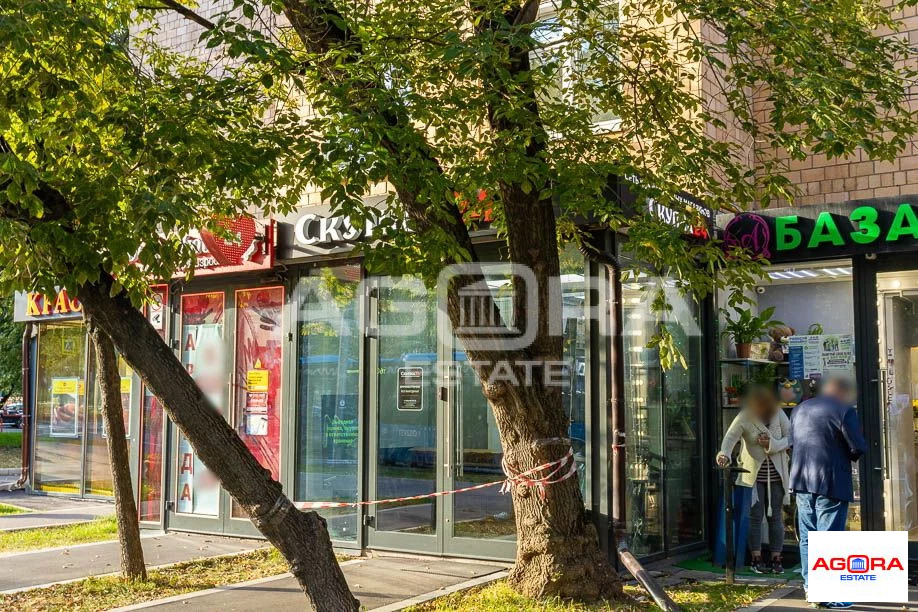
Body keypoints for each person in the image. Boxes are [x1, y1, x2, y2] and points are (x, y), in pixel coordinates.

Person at [790, 376, 866, 610]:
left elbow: (792, 444)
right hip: (831, 481)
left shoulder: (799, 410)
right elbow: (858, 447)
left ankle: (811, 588)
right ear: (841, 392)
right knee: (829, 537)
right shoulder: (844, 411)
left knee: (808, 536)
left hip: (802, 480)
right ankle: (830, 594)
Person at [716, 386, 791, 574]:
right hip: (753, 474)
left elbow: (791, 437)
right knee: (755, 516)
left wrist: (772, 444)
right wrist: (724, 454)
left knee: (776, 517)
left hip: (777, 474)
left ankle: (776, 557)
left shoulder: (778, 413)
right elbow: (730, 437)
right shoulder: (745, 416)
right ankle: (756, 557)